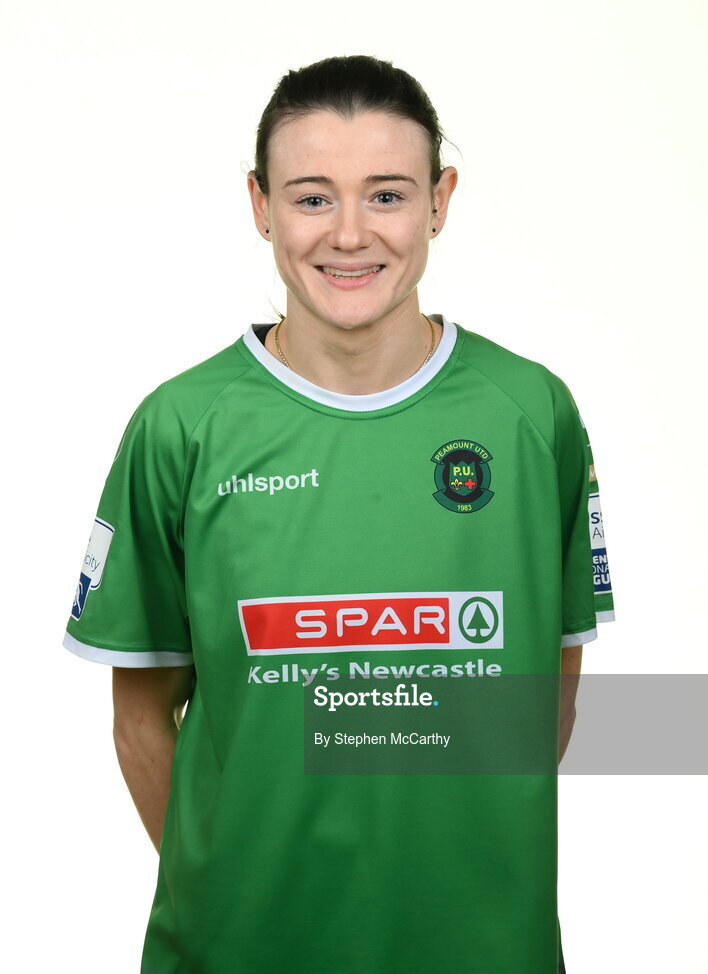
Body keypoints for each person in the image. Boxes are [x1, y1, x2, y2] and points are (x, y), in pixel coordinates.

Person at [63, 54, 615, 974]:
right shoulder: (181, 426)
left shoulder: (531, 415)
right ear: (261, 205)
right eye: (313, 198)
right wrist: (244, 886)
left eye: (388, 196)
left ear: (439, 201)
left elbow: (545, 695)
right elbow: (140, 721)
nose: (351, 235)